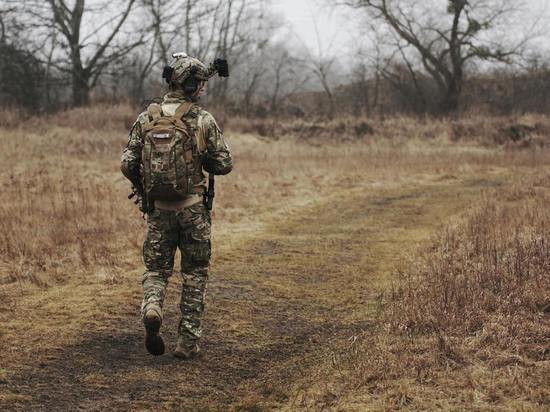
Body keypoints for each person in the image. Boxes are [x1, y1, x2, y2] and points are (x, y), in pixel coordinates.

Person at [120, 53, 233, 358]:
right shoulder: (201, 119)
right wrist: (201, 157)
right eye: (201, 84)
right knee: (195, 273)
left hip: (158, 210)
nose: (203, 89)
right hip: (194, 209)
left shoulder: (148, 117)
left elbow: (127, 162)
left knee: (156, 269)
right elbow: (224, 164)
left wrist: (144, 192)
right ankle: (187, 342)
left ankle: (153, 305)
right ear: (193, 85)